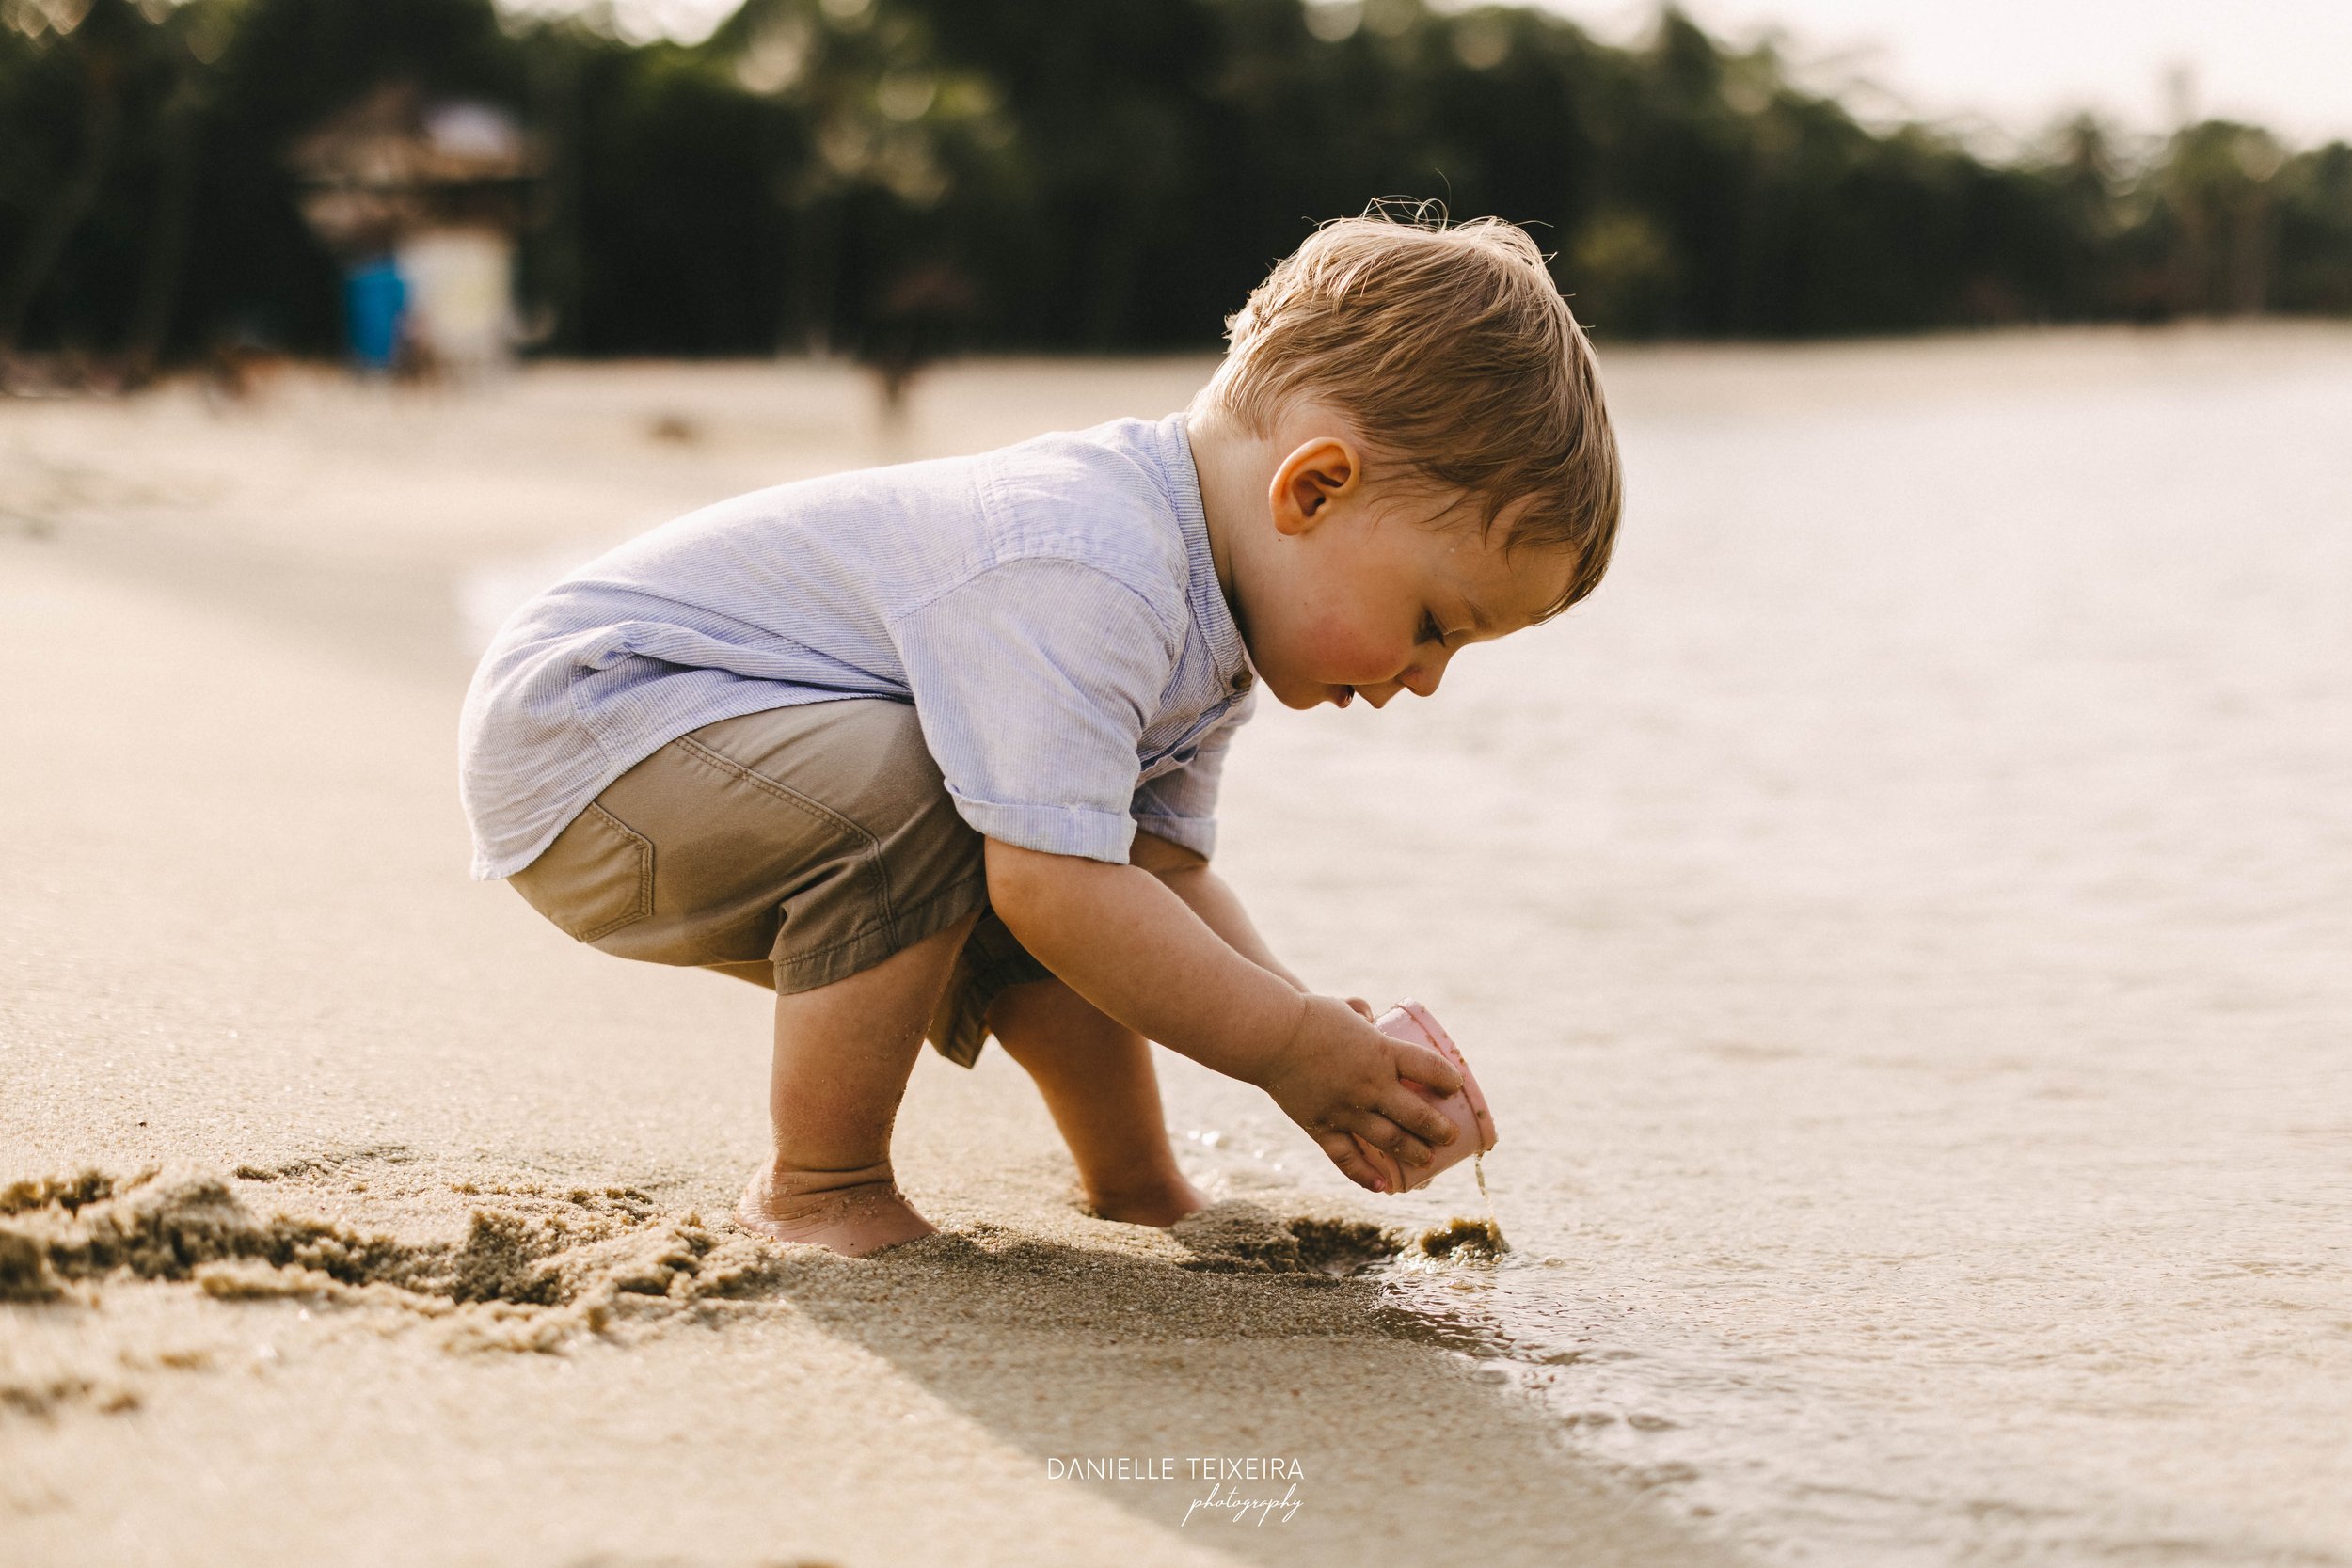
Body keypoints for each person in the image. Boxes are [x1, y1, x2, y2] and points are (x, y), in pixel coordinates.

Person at [457, 212, 1622, 1257]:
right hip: (600, 727)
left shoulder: (1208, 621)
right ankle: (819, 1183)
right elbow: (1054, 885)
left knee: (1059, 838)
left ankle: (1136, 1183)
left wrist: (1316, 1041)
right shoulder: (1089, 561)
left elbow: (1148, 877)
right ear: (1311, 489)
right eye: (1432, 625)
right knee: (973, 819)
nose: (1424, 682)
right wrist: (1281, 1044)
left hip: (680, 749)